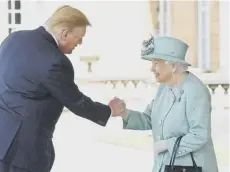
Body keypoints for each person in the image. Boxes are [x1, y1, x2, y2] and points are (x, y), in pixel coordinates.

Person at [0, 5, 121, 172]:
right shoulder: (56, 62)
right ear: (64, 33)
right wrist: (109, 111)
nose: (80, 43)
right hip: (25, 155)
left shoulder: (13, 39)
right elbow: (77, 102)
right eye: (79, 38)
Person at [109, 36, 219, 172]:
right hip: (165, 166)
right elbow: (149, 119)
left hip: (191, 167)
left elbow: (199, 134)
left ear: (173, 66)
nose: (152, 68)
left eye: (156, 63)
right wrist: (124, 113)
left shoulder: (195, 90)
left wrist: (167, 145)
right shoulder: (164, 87)